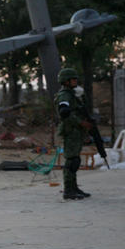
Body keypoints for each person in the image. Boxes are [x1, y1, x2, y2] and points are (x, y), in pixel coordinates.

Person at [55, 68, 93, 200]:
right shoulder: (65, 95)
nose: (75, 81)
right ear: (66, 81)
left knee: (75, 159)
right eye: (73, 79)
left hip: (76, 130)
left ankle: (73, 187)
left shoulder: (73, 94)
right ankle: (68, 190)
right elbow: (64, 113)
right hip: (70, 130)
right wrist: (81, 123)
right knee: (71, 160)